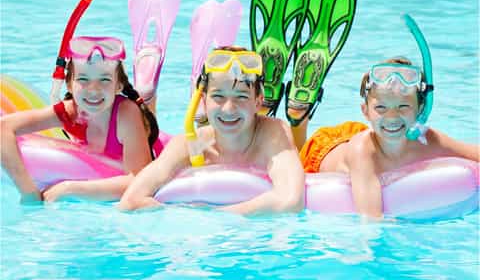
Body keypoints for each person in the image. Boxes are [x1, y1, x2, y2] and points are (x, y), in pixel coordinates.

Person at [119, 46, 305, 215]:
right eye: (218, 97)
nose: (228, 109)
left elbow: (290, 200)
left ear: (258, 101)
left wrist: (216, 218)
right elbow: (131, 201)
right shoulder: (192, 145)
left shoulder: (272, 135)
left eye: (241, 97)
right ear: (203, 100)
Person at [299, 57, 479, 218]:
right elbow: (370, 217)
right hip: (325, 149)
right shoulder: (362, 152)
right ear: (366, 112)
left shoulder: (428, 139)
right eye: (381, 108)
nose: (392, 117)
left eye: (403, 106)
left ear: (421, 110)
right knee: (296, 155)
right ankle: (299, 120)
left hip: (372, 133)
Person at [1, 36, 159, 203]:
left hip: (151, 148)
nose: (93, 90)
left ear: (118, 86)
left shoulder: (126, 114)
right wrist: (27, 191)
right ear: (69, 84)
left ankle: (148, 92)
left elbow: (140, 180)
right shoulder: (71, 112)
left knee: (147, 118)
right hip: (101, 162)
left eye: (104, 80)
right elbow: (4, 127)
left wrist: (69, 188)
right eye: (83, 79)